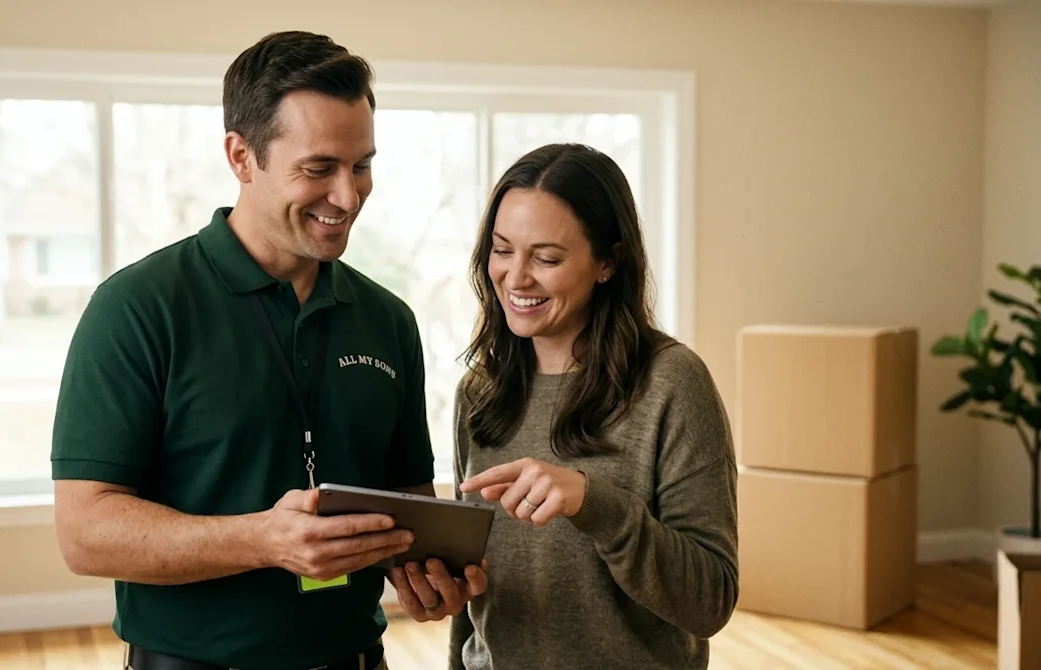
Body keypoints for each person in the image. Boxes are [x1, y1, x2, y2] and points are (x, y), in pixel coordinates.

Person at [50, 30, 486, 670]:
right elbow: (85, 534)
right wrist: (263, 540)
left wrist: (421, 577)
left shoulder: (388, 320)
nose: (347, 196)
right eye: (318, 169)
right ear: (241, 155)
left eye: (361, 165)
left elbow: (406, 507)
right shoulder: (137, 308)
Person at [448, 143, 739, 669]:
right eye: (502, 249)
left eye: (547, 258)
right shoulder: (481, 390)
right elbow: (473, 600)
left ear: (609, 261)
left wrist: (595, 504)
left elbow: (711, 600)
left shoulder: (671, 383)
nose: (515, 277)